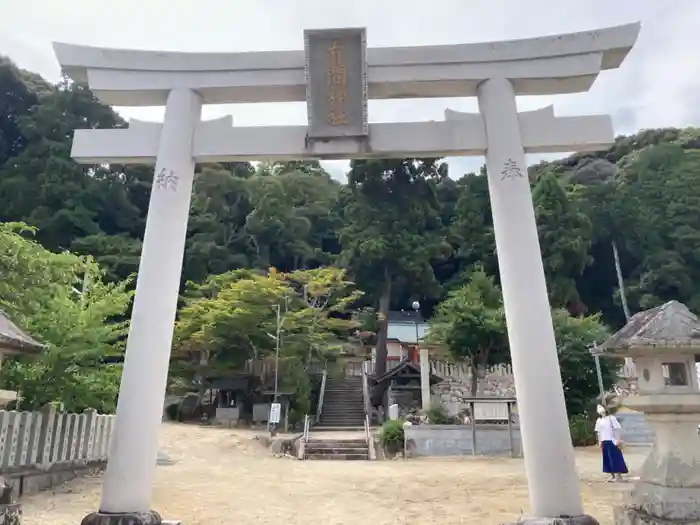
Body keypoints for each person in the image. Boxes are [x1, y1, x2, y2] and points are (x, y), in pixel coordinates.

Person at [594, 404, 628, 482]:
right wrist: (599, 441)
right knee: (607, 459)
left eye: (600, 407)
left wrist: (618, 439)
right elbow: (599, 432)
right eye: (598, 408)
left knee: (615, 458)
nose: (599, 409)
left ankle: (618, 475)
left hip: (612, 440)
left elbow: (617, 428)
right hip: (604, 441)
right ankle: (612, 475)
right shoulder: (599, 420)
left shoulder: (611, 418)